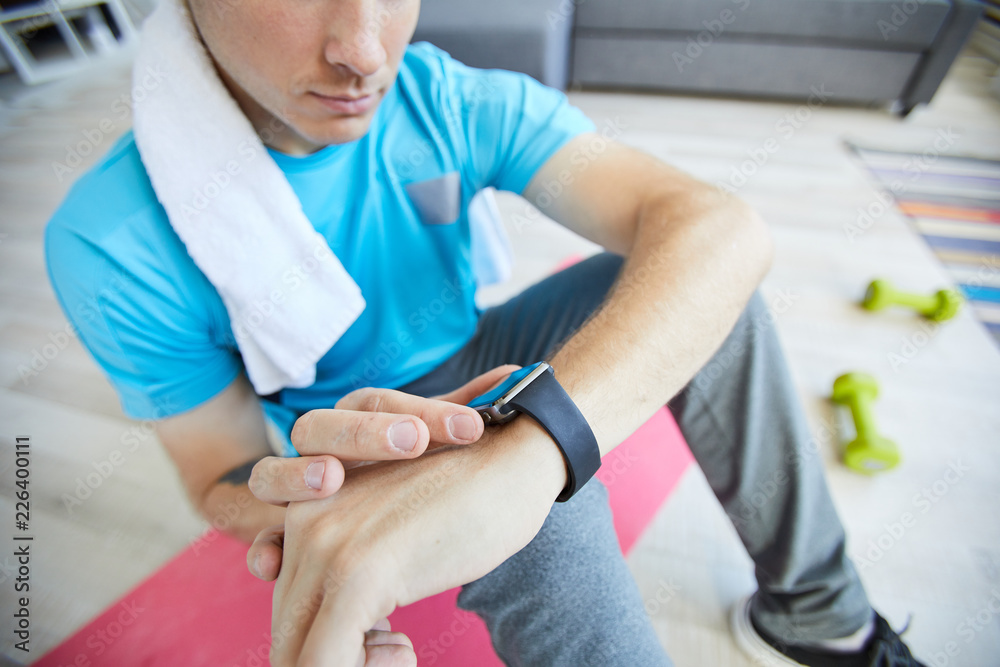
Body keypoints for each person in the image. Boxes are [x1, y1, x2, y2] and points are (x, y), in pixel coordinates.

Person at [44, 0, 927, 665]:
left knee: (701, 290)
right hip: (354, 424)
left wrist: (530, 449)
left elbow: (718, 227)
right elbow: (218, 473)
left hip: (485, 350)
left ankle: (821, 614)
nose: (362, 52)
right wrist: (315, 497)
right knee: (543, 518)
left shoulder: (445, 98)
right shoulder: (113, 239)